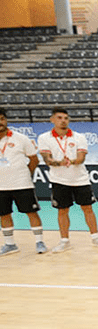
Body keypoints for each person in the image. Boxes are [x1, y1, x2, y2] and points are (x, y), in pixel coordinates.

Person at [37, 107, 98, 252]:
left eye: (66, 118)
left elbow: (81, 158)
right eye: (59, 118)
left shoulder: (79, 137)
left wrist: (71, 161)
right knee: (62, 211)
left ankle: (95, 237)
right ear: (52, 120)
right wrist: (58, 162)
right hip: (59, 180)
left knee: (88, 208)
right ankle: (65, 241)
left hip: (80, 180)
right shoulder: (44, 138)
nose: (63, 121)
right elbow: (47, 159)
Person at [0, 106, 48, 256]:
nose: (0, 122)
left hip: (22, 183)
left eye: (2, 119)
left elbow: (34, 159)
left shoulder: (20, 138)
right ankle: (10, 244)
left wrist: (26, 173)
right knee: (4, 214)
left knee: (31, 212)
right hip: (1, 186)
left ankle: (39, 242)